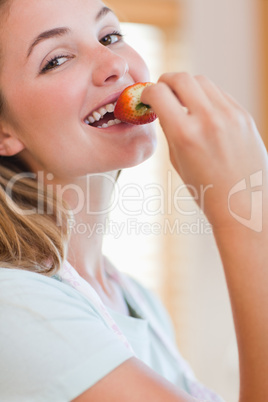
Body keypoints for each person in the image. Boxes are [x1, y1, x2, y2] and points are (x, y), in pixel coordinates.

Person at [0, 0, 267, 401]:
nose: (114, 63)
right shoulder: (16, 310)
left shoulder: (134, 299)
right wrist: (246, 213)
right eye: (56, 60)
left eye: (110, 36)